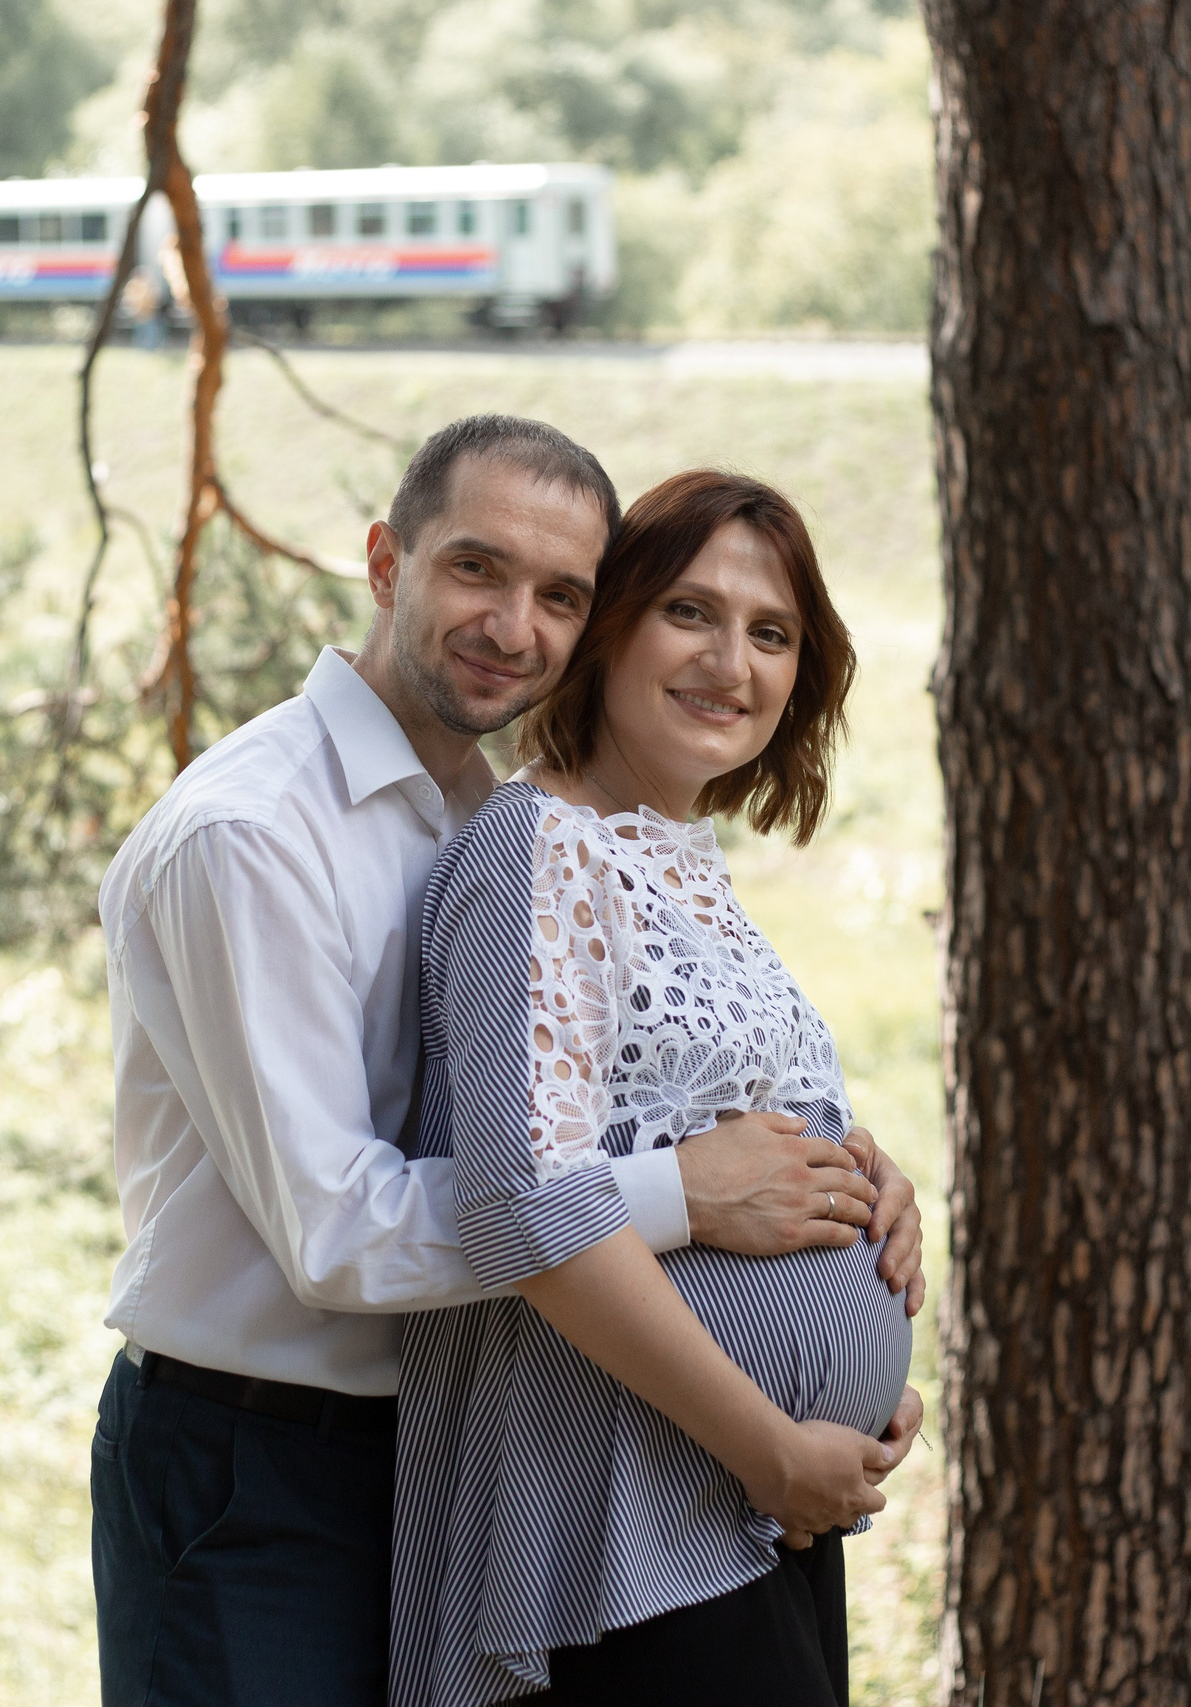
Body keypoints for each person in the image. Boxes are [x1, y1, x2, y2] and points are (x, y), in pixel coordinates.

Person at [90, 417, 927, 1706]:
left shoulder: (492, 809)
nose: (512, 625)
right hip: (262, 1452)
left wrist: (845, 1185)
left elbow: (616, 1102)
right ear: (386, 562)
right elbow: (338, 1235)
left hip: (461, 1440)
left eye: (559, 595)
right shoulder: (251, 835)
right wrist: (686, 1196)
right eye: (475, 571)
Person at [393, 470, 911, 1707]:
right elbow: (527, 1207)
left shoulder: (670, 852)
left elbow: (675, 1107)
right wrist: (775, 1445)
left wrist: (859, 1176)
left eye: (771, 633)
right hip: (629, 1528)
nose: (731, 661)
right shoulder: (537, 847)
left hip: (740, 1511)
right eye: (690, 612)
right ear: (608, 627)